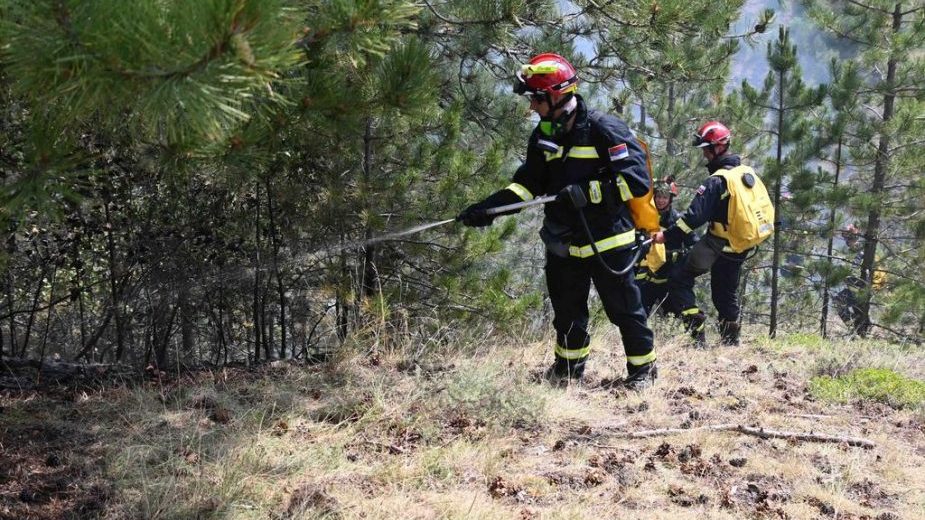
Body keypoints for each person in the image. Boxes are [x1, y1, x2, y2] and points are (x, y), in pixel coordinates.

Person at [456, 53, 657, 389]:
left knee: (625, 311)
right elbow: (528, 185)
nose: (532, 107)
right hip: (564, 242)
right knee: (567, 314)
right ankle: (567, 372)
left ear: (556, 94)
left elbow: (636, 182)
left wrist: (587, 192)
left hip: (608, 240)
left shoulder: (603, 129)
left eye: (536, 98)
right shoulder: (544, 134)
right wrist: (489, 208)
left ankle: (643, 371)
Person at [652, 121, 750, 347]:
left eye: (706, 148)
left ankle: (697, 331)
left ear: (717, 148)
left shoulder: (716, 181)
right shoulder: (743, 173)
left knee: (678, 277)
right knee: (725, 292)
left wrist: (666, 236)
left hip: (718, 243)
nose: (704, 154)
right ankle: (731, 341)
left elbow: (693, 218)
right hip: (741, 243)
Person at [636, 177, 697, 315]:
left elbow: (693, 245)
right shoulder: (645, 218)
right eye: (658, 196)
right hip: (646, 279)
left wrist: (675, 255)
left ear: (670, 199)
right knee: (638, 315)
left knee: (676, 315)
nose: (660, 200)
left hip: (669, 280)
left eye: (664, 197)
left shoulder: (678, 221)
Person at [833, 224, 884, 336]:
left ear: (856, 237)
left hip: (863, 289)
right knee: (847, 305)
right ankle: (858, 328)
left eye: (849, 237)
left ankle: (859, 329)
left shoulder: (862, 251)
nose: (847, 240)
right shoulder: (855, 252)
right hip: (857, 289)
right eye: (845, 237)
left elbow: (862, 272)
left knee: (845, 304)